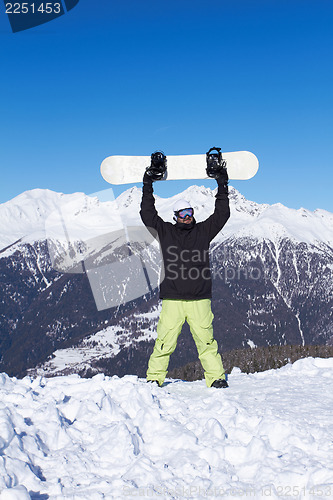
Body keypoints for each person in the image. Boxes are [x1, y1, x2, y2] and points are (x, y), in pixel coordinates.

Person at [140, 149, 230, 388]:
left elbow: (222, 214)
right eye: (182, 213)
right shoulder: (166, 233)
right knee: (164, 341)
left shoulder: (203, 232)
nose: (187, 216)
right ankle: (154, 377)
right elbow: (148, 215)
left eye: (190, 212)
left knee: (206, 341)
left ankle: (216, 377)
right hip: (173, 298)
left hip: (200, 298)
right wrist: (148, 184)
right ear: (176, 216)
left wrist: (222, 184)